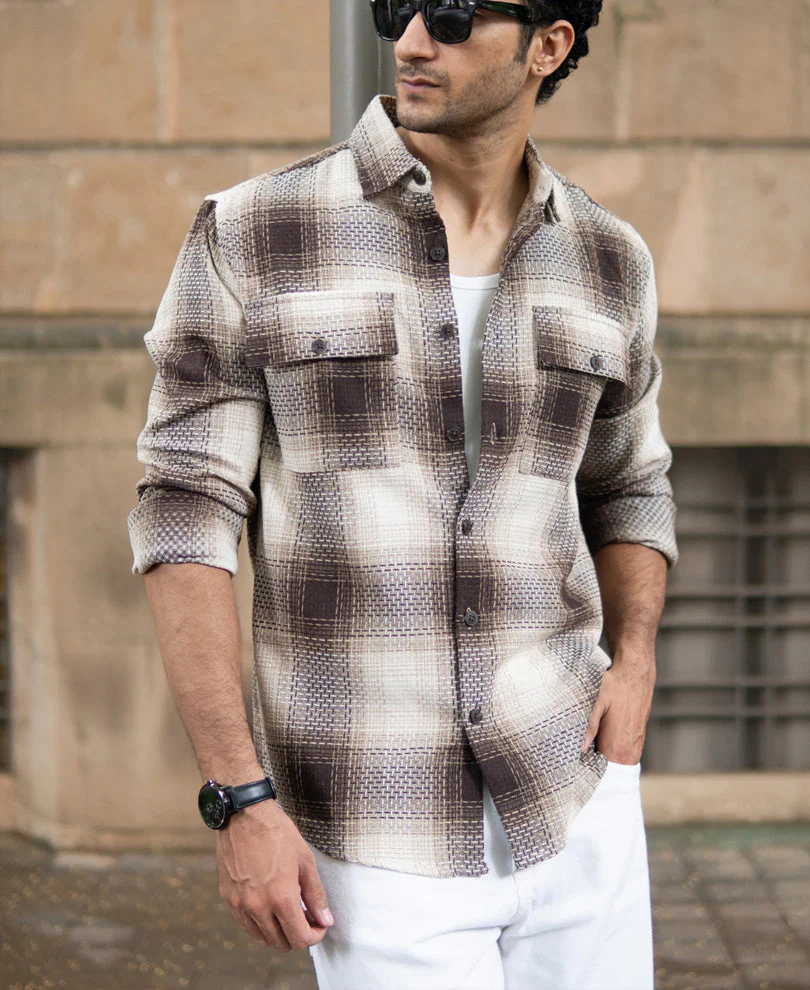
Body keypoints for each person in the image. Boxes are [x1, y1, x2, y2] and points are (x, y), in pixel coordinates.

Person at [127, 1, 678, 987]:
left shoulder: (609, 258)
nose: (414, 40)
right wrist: (238, 797)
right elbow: (184, 517)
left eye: (455, 15)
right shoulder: (254, 232)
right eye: (398, 7)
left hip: (575, 798)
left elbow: (630, 484)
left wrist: (634, 663)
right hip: (373, 825)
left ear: (549, 46)